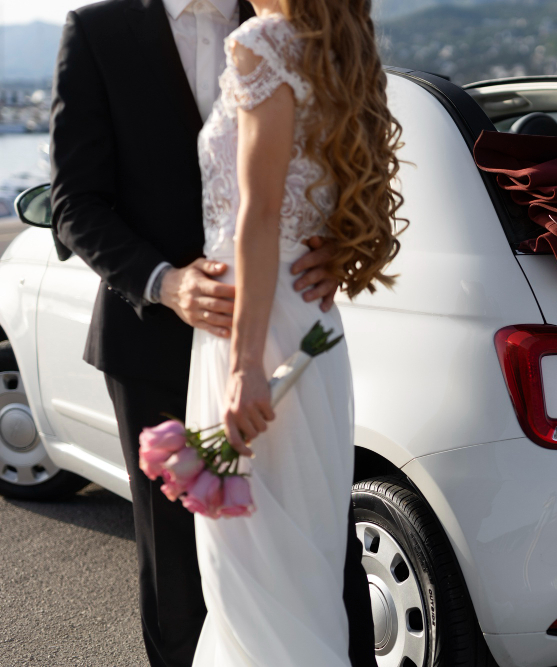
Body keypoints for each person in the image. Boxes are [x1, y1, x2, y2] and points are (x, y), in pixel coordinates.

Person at [48, 0, 385, 665]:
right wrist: (167, 283)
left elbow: (334, 168)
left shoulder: (286, 21)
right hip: (151, 342)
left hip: (271, 341)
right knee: (180, 579)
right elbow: (73, 203)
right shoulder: (97, 30)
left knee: (317, 563)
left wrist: (348, 246)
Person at [186, 0, 403, 663]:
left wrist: (246, 365)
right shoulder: (343, 52)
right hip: (310, 325)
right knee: (297, 575)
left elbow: (259, 213)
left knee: (251, 579)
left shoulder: (264, 41)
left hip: (256, 330)